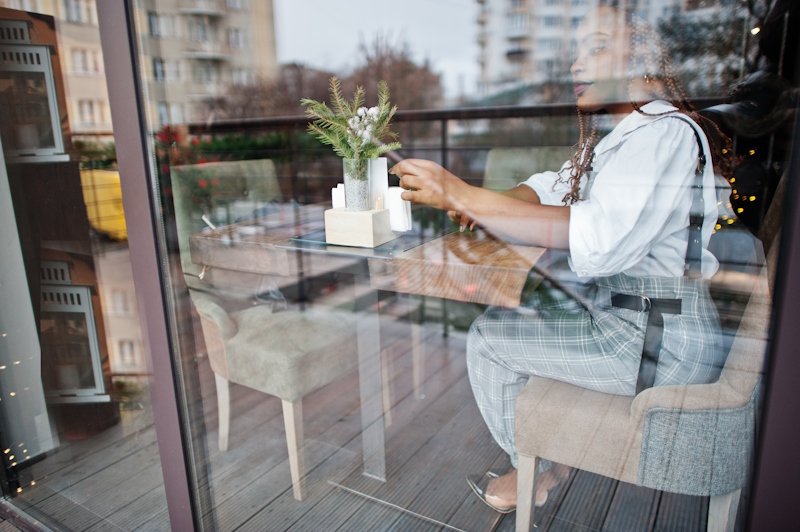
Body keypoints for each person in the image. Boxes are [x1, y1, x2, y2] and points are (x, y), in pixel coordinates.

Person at [390, 3, 730, 513]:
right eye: (576, 52)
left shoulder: (663, 135)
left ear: (640, 63)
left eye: (596, 47)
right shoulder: (626, 136)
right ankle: (552, 451)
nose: (575, 64)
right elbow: (553, 186)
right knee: (516, 319)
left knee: (487, 340)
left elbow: (600, 238)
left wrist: (464, 195)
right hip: (632, 322)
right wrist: (489, 203)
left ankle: (539, 472)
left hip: (658, 344)